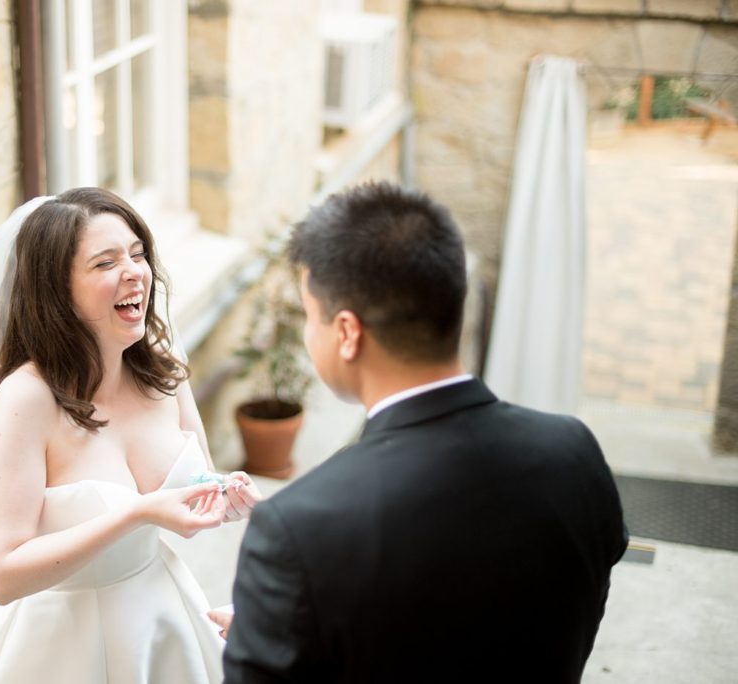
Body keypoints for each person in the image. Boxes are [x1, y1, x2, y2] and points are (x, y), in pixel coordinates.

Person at [218, 181, 629, 683]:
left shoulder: (298, 528)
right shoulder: (574, 452)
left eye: (310, 316)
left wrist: (270, 630)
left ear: (347, 333)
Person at [0, 187, 260, 683]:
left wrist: (226, 493)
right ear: (57, 291)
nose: (134, 272)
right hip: (54, 646)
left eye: (137, 254)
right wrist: (138, 512)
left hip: (161, 625)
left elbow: (197, 487)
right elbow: (1, 574)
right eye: (105, 263)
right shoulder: (26, 400)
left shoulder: (164, 374)